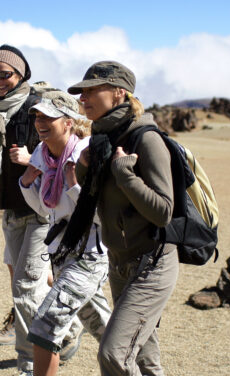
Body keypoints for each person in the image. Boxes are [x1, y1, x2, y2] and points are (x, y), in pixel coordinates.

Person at [65, 61, 179, 376]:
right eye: (81, 93)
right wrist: (86, 167)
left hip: (151, 263)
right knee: (143, 358)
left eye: (91, 91)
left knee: (114, 355)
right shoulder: (102, 138)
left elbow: (162, 211)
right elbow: (98, 197)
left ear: (119, 93)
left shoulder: (145, 139)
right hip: (120, 262)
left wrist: (125, 175)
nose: (83, 98)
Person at [19, 91, 112, 376]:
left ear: (69, 122)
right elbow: (46, 210)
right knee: (106, 329)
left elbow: (101, 216)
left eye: (49, 117)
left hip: (89, 255)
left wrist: (73, 183)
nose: (40, 122)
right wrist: (26, 183)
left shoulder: (86, 153)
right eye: (38, 116)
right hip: (60, 255)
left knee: (46, 325)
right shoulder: (42, 153)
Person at [0, 45, 51, 376]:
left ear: (21, 74)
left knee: (24, 288)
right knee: (29, 283)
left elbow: (66, 151)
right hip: (10, 206)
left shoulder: (40, 107)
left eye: (4, 74)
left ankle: (26, 365)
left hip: (40, 210)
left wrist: (31, 159)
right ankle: (70, 332)